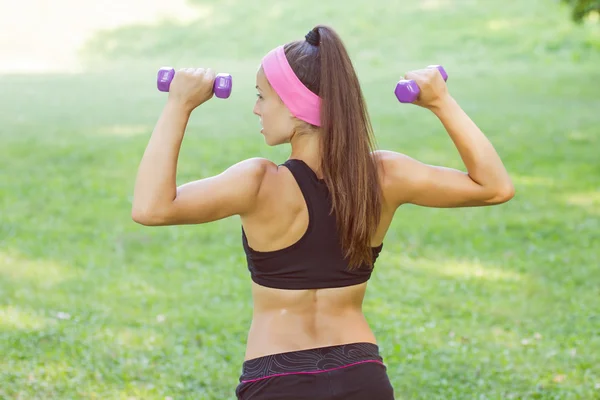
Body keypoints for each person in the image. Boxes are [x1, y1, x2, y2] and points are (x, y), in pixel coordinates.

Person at [131, 24, 514, 400]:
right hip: (362, 376)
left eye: (262, 97)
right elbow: (494, 187)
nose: (256, 109)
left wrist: (179, 105)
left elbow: (151, 208)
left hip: (278, 379)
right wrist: (440, 101)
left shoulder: (259, 182)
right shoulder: (385, 176)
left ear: (296, 108)